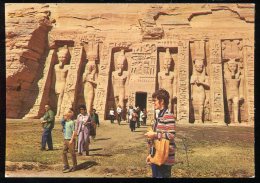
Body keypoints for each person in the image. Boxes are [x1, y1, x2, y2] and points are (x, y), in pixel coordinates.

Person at [145, 89, 176, 178]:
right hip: (157, 155)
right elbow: (156, 139)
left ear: (161, 101)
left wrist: (154, 134)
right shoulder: (159, 116)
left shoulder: (168, 116)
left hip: (165, 158)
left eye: (155, 100)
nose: (153, 103)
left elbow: (171, 135)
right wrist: (150, 155)